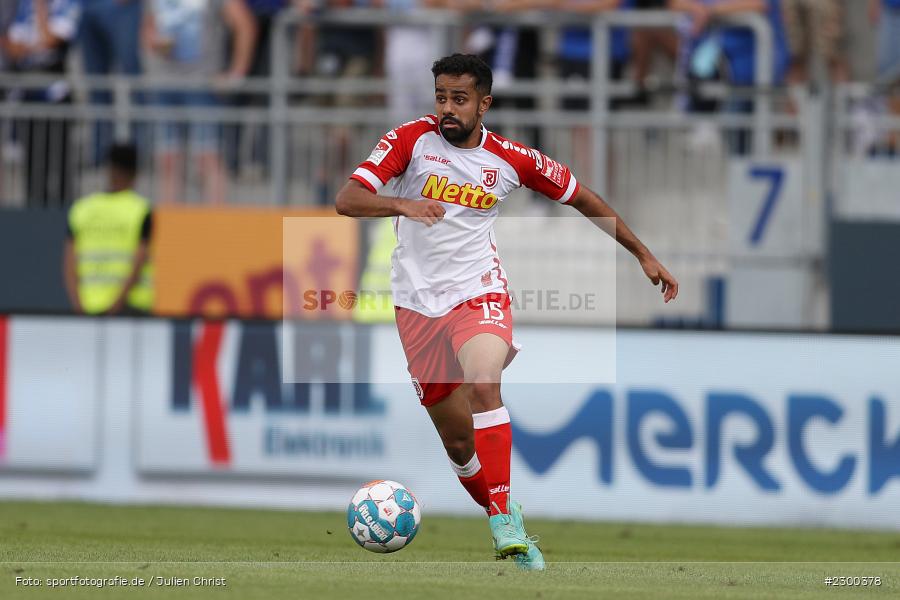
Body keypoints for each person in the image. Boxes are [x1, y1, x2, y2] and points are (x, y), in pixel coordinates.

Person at [335, 54, 678, 569]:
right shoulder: (410, 140)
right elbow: (347, 199)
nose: (448, 109)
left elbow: (583, 198)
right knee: (456, 441)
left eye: (460, 99)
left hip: (479, 293)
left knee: (483, 383)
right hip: (415, 304)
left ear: (484, 104)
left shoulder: (512, 159)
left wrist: (642, 253)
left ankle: (502, 523)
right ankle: (504, 507)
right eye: (442, 97)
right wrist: (401, 204)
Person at [142, 0, 257, 204]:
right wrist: (154, 42)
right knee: (167, 160)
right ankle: (170, 224)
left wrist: (236, 74)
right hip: (163, 84)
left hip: (203, 86)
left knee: (207, 159)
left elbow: (244, 24)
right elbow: (147, 29)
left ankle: (215, 224)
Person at [2, 0, 80, 207]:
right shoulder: (24, 4)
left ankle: (64, 217)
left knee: (60, 164)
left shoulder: (65, 4)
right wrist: (33, 48)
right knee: (34, 166)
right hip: (29, 96)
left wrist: (41, 8)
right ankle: (35, 218)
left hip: (56, 96)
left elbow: (51, 39)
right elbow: (13, 47)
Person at [63, 143, 154, 315]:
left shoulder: (82, 209)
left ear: (109, 170)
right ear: (135, 173)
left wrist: (78, 307)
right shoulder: (140, 210)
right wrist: (115, 306)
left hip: (88, 306)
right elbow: (138, 262)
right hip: (129, 309)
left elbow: (69, 265)